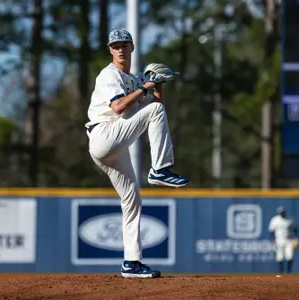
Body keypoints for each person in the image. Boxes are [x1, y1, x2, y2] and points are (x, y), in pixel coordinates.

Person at [85, 28, 190, 279]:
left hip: (114, 147)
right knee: (153, 115)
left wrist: (156, 86)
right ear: (110, 50)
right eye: (116, 45)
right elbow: (120, 107)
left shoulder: (133, 80)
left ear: (132, 48)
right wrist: (145, 87)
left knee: (132, 200)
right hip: (104, 135)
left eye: (124, 44)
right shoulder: (108, 75)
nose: (120, 49)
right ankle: (159, 170)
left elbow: (156, 108)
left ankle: (131, 262)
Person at [268, 206, 299, 274]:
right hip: (279, 240)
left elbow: (295, 229)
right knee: (280, 257)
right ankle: (281, 272)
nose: (282, 213)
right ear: (279, 213)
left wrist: (296, 238)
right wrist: (272, 239)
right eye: (281, 213)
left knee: (290, 256)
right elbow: (271, 231)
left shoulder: (288, 220)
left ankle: (289, 272)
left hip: (288, 240)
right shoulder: (275, 220)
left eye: (283, 212)